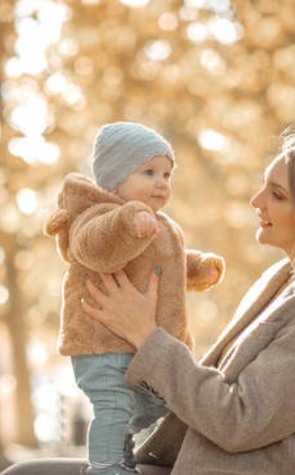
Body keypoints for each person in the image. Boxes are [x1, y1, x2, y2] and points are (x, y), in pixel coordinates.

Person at [2, 128, 295, 475]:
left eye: (277, 194)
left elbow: (240, 418)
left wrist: (145, 333)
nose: (257, 201)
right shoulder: (282, 280)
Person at [43, 121, 225, 475]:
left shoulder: (162, 224)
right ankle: (106, 467)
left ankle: (122, 449)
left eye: (167, 174)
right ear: (117, 178)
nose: (162, 182)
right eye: (149, 172)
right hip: (103, 344)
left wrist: (198, 267)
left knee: (155, 403)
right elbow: (97, 248)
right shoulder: (95, 215)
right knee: (113, 405)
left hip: (142, 346)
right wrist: (128, 223)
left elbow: (168, 263)